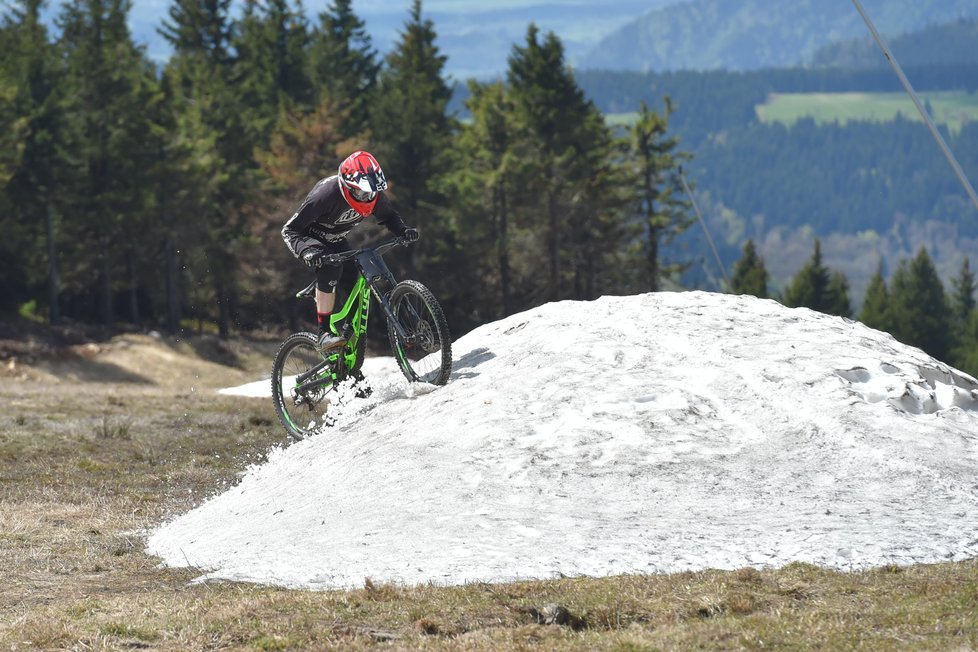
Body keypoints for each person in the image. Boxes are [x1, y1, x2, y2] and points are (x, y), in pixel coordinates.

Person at [282, 150, 419, 349]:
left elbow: (389, 216)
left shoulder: (373, 194)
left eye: (370, 192)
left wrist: (403, 231)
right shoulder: (325, 195)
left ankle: (348, 350)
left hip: (337, 242)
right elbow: (289, 230)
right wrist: (306, 252)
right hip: (310, 240)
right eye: (361, 192)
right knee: (332, 267)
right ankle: (324, 333)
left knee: (354, 281)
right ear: (347, 185)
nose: (366, 198)